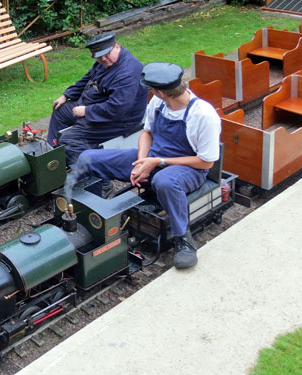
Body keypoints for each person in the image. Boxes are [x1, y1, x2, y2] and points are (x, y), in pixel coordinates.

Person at [72, 62, 221, 269]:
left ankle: (183, 239)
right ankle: (91, 214)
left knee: (164, 180)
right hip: (152, 158)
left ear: (161, 92)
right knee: (88, 157)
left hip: (189, 169)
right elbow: (147, 133)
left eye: (151, 90)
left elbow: (207, 161)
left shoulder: (204, 115)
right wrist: (141, 163)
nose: (150, 93)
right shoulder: (158, 103)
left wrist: (156, 162)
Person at [47, 32, 148, 164]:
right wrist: (66, 95)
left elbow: (117, 108)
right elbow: (89, 77)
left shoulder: (127, 73)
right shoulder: (105, 63)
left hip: (118, 121)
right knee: (60, 111)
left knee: (69, 142)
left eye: (107, 54)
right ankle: (50, 156)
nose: (104, 59)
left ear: (116, 46)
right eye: (99, 57)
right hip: (95, 106)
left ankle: (97, 177)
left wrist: (87, 111)